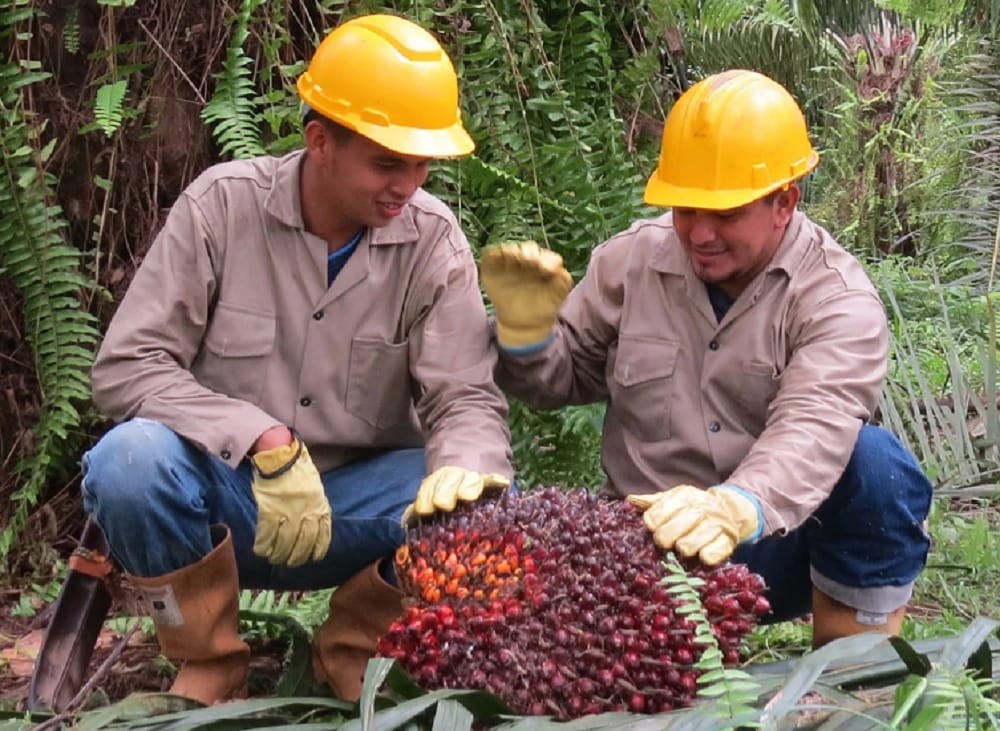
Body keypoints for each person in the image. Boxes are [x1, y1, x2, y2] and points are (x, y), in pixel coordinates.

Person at [80, 13, 513, 705]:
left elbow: (464, 396)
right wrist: (259, 436)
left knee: (484, 497)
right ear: (320, 142)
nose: (409, 184)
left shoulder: (434, 241)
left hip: (362, 507)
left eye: (421, 163)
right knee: (128, 463)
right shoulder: (221, 210)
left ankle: (355, 654)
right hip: (230, 499)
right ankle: (208, 662)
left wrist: (466, 468)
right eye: (386, 162)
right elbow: (126, 367)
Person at [481, 69, 932, 648]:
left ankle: (852, 669)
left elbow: (816, 422)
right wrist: (526, 335)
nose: (699, 233)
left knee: (876, 466)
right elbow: (563, 379)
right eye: (686, 209)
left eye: (725, 214)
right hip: (645, 546)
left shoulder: (835, 300)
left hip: (775, 542)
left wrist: (736, 506)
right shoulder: (629, 266)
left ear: (783, 202)